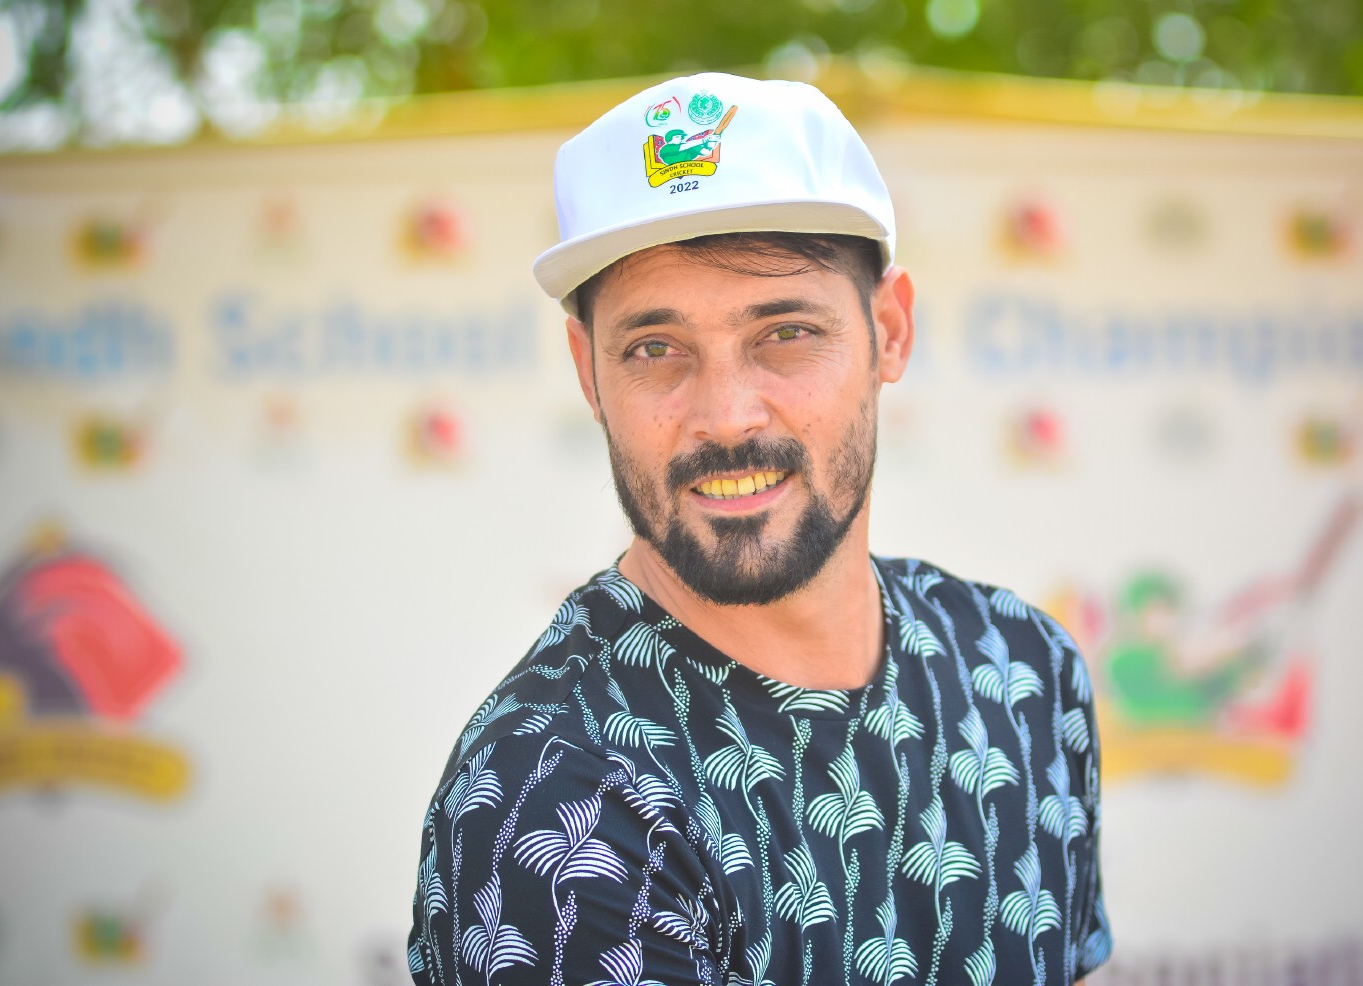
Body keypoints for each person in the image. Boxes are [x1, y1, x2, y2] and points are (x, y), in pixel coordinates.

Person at [406, 72, 1112, 986]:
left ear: (890, 330)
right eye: (654, 349)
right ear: (589, 373)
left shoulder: (1019, 668)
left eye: (785, 332)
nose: (727, 415)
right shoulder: (559, 800)